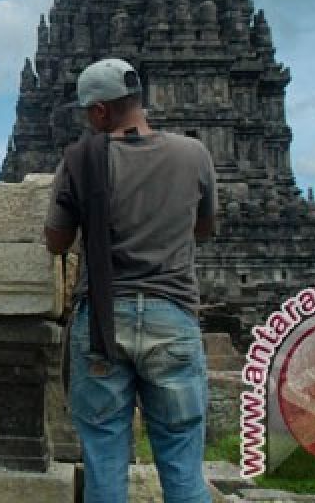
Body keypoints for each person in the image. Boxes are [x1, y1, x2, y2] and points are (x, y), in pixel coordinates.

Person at [44, 58, 216, 503]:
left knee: (105, 464)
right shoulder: (193, 154)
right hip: (172, 319)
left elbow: (56, 241)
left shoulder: (81, 160)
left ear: (100, 111)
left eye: (88, 113)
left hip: (103, 321)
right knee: (182, 465)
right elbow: (203, 228)